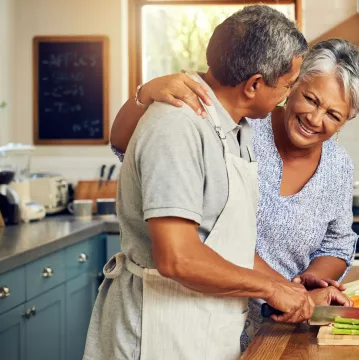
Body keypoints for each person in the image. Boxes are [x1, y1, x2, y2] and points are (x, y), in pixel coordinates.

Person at [83, 6, 324, 360]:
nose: (287, 99)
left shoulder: (235, 126)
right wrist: (270, 290)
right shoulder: (177, 126)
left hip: (202, 328)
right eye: (287, 86)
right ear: (255, 84)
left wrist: (291, 290)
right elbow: (178, 258)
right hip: (157, 333)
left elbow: (225, 245)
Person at [110, 38, 359, 351]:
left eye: (333, 115)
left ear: (349, 119)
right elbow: (127, 142)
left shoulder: (339, 166)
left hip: (284, 319)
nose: (315, 119)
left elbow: (337, 242)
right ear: (293, 83)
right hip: (200, 312)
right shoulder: (242, 124)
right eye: (311, 99)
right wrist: (146, 94)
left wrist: (300, 287)